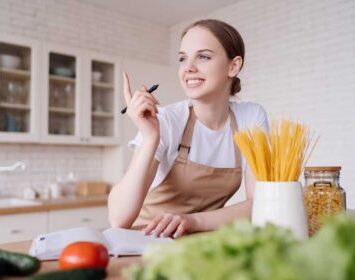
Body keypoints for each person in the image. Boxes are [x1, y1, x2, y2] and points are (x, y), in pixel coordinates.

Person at [108, 19, 269, 238]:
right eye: (183, 58)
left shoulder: (250, 118)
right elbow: (118, 218)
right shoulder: (166, 120)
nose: (188, 68)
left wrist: (192, 221)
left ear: (233, 66)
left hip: (201, 240)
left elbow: (260, 204)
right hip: (145, 241)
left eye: (203, 56)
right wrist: (150, 137)